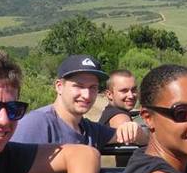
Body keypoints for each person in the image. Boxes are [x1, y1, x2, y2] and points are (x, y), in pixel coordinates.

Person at [12, 54, 148, 148]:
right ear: (59, 86)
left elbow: (144, 139)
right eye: (78, 86)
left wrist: (133, 129)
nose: (86, 95)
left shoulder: (91, 130)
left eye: (92, 87)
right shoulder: (37, 124)